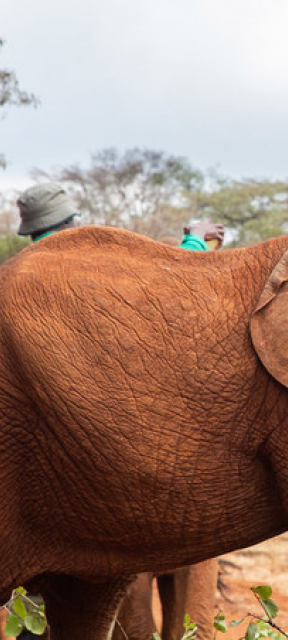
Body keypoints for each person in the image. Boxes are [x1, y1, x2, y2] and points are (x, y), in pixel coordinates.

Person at [12, 182, 224, 639]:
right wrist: (195, 242)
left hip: (51, 498)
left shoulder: (20, 283)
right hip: (139, 478)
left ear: (30, 231)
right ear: (74, 223)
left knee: (59, 615)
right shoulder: (91, 273)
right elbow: (173, 290)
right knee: (184, 624)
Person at [16, 181, 224, 249]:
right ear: (67, 222)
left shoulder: (14, 271)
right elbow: (164, 279)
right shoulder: (79, 258)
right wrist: (196, 237)